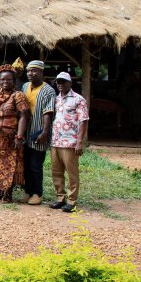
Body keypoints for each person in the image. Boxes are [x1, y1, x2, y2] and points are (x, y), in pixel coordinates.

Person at [0, 65, 30, 203]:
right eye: (2, 79)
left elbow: (24, 116)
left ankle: (7, 194)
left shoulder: (18, 96)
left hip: (10, 138)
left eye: (8, 79)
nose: (5, 82)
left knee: (9, 166)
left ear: (14, 81)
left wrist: (19, 136)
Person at [50, 72, 89, 213]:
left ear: (70, 83)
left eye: (63, 82)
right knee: (56, 171)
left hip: (70, 142)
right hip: (56, 141)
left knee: (72, 172)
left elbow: (83, 121)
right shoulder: (56, 99)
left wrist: (79, 142)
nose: (60, 84)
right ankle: (60, 198)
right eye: (58, 82)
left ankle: (72, 200)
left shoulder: (78, 99)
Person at [21, 60, 56, 205]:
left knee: (36, 165)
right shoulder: (25, 86)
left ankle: (37, 193)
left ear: (41, 72)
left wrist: (45, 132)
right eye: (29, 71)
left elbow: (48, 112)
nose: (30, 73)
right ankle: (28, 191)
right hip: (25, 132)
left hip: (39, 131)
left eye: (34, 70)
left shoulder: (48, 90)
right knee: (26, 164)